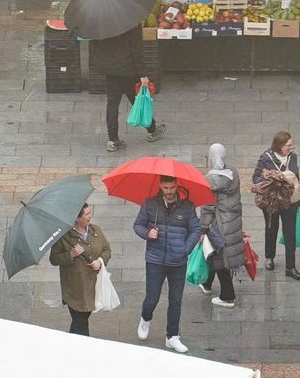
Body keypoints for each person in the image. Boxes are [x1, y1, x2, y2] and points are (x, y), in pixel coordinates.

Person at [133, 175, 217, 354]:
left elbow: (195, 229)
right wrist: (148, 233)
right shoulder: (150, 204)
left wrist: (185, 249)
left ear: (176, 186)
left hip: (178, 261)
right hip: (155, 259)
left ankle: (172, 336)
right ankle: (145, 318)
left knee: (176, 300)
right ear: (160, 186)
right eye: (166, 188)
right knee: (152, 298)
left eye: (172, 188)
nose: (169, 192)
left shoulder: (187, 207)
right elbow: (137, 225)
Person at [89, 28, 166, 153]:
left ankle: (113, 140)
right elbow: (137, 51)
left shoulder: (102, 24)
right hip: (128, 71)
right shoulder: (131, 24)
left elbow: (96, 45)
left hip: (110, 71)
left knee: (112, 104)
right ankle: (152, 130)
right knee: (137, 101)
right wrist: (143, 75)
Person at [48, 203, 111, 336]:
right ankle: (85, 352)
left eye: (90, 213)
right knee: (81, 325)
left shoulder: (96, 230)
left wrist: (100, 261)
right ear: (77, 218)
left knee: (79, 321)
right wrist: (70, 254)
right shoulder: (64, 237)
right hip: (74, 290)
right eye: (87, 214)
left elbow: (106, 250)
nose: (90, 216)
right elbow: (54, 259)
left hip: (92, 287)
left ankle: (69, 344)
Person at [199, 143, 247, 309]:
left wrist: (202, 229)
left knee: (220, 259)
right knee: (214, 255)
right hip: (232, 222)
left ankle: (228, 296)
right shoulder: (233, 172)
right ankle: (206, 284)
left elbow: (208, 207)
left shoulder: (210, 180)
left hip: (217, 224)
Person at [253, 131, 300, 280]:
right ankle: (269, 257)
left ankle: (290, 267)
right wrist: (272, 179)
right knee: (271, 228)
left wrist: (299, 199)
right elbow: (256, 177)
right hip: (271, 201)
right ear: (280, 146)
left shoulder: (292, 157)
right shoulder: (265, 158)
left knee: (290, 234)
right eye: (289, 145)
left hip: (289, 202)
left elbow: (296, 178)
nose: (291, 147)